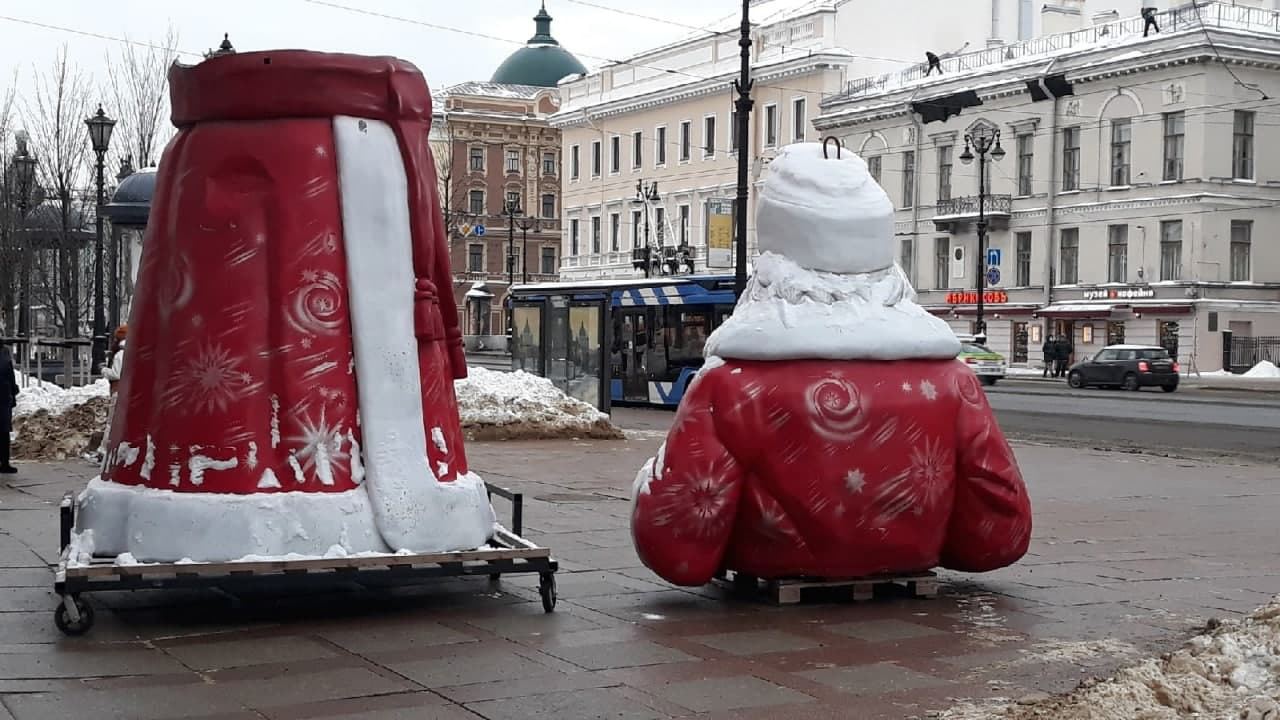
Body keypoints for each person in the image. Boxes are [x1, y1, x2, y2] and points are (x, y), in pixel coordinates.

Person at [630, 142, 1031, 587]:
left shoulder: (731, 387)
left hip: (775, 582)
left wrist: (647, 483)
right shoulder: (954, 382)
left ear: (773, 256)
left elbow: (677, 547)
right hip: (911, 569)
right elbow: (1000, 534)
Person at [97, 324, 127, 461]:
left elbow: (117, 373)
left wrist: (104, 370)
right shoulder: (131, 351)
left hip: (118, 391)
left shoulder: (121, 353)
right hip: (126, 391)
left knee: (112, 422)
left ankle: (103, 452)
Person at [0, 344, 18, 474]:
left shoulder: (4, 351)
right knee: (3, 430)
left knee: (4, 430)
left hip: (4, 395)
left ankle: (5, 463)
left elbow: (10, 372)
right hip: (4, 394)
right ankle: (4, 463)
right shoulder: (4, 351)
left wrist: (13, 390)